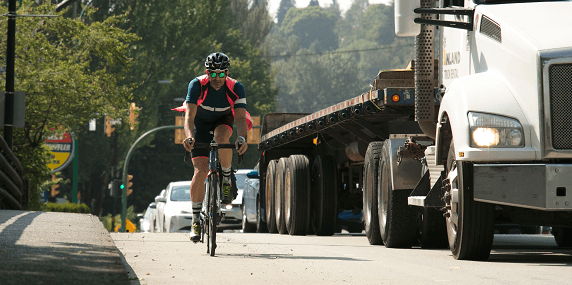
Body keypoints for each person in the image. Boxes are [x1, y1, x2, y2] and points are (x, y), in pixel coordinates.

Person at [182, 52, 249, 242]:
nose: (217, 78)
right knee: (200, 171)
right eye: (213, 74)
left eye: (222, 74)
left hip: (223, 120)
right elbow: (189, 117)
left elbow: (241, 118)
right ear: (207, 73)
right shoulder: (196, 85)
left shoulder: (236, 87)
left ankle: (226, 176)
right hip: (200, 125)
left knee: (221, 136)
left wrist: (242, 138)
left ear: (227, 73)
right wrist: (188, 137)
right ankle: (196, 221)